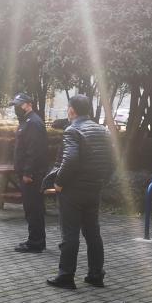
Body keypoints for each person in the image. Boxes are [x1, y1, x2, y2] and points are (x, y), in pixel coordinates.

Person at [45, 94, 114, 289]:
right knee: (93, 233)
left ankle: (66, 276)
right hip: (94, 188)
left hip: (73, 190)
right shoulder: (103, 131)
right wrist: (102, 181)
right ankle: (96, 274)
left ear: (72, 110)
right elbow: (112, 162)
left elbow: (70, 159)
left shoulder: (72, 130)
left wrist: (59, 183)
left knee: (70, 234)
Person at [10, 93, 49, 252]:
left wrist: (28, 172)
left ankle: (36, 243)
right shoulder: (27, 121)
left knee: (33, 208)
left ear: (28, 104)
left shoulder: (33, 122)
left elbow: (34, 150)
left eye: (18, 105)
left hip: (32, 175)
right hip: (28, 173)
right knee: (31, 208)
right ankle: (36, 240)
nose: (16, 108)